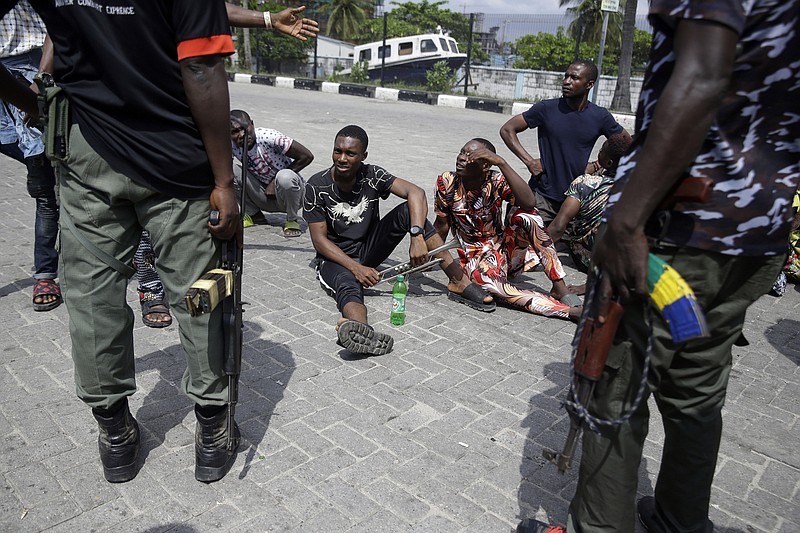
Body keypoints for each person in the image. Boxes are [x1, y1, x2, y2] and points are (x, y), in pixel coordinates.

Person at [518, 1, 800, 532]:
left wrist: (627, 219)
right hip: (753, 238)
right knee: (696, 387)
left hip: (675, 232)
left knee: (613, 386)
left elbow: (701, 74)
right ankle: (679, 520)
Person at [0, 0, 244, 484]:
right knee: (200, 294)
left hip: (85, 152)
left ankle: (115, 434)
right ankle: (213, 430)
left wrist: (36, 103)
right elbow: (200, 66)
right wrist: (224, 180)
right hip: (176, 155)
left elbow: (56, 38)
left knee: (91, 299)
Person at [131, 4, 319, 327]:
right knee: (140, 227)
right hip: (124, 124)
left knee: (199, 225)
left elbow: (208, 12)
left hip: (176, 126)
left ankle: (210, 301)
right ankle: (151, 289)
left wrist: (268, 20)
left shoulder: (265, 137)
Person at [304, 125, 494, 355]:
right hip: (335, 257)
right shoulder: (317, 186)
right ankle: (359, 329)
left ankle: (458, 281)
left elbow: (416, 192)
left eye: (350, 154)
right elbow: (319, 241)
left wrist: (416, 236)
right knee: (349, 285)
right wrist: (356, 268)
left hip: (369, 248)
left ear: (363, 156)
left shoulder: (372, 175)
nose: (342, 159)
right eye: (337, 151)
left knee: (410, 211)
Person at [433, 138, 582, 321]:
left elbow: (529, 202)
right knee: (493, 287)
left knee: (528, 215)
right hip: (477, 258)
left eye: (471, 156)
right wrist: (430, 252)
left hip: (507, 250)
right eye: (462, 152)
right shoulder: (447, 182)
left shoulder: (495, 180)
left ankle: (559, 286)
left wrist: (502, 162)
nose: (462, 158)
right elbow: (441, 226)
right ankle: (566, 311)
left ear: (486, 165)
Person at [499, 60, 631, 224]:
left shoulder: (600, 116)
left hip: (575, 201)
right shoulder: (546, 108)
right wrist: (529, 162)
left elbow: (627, 144)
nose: (567, 81)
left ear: (589, 84)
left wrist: (597, 165)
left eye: (574, 78)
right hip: (541, 197)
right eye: (566, 76)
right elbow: (507, 129)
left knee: (565, 248)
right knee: (522, 243)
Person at [0, 2, 60, 311]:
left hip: (31, 62)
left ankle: (46, 272)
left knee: (44, 184)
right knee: (40, 168)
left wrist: (42, 74)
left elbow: (58, 16)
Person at [547, 135, 633, 275]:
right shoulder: (637, 188)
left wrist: (535, 252)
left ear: (609, 162)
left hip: (588, 259)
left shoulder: (585, 183)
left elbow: (558, 227)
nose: (598, 153)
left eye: (601, 151)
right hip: (620, 262)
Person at [230, 109, 313, 236]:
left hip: (290, 195)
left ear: (252, 124)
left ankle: (292, 219)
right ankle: (254, 214)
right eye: (235, 132)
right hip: (262, 195)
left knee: (285, 176)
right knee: (229, 170)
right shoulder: (231, 145)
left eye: (244, 128)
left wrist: (274, 181)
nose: (241, 134)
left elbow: (307, 156)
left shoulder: (269, 137)